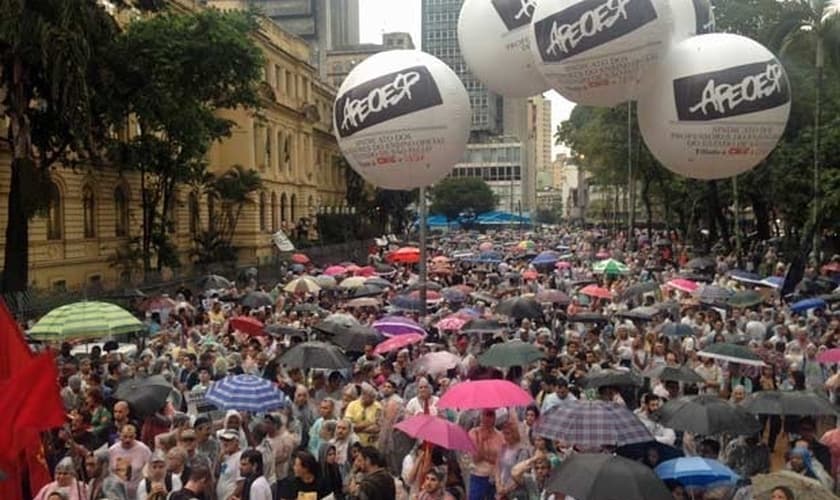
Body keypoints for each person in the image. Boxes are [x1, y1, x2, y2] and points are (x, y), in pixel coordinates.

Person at [108, 424, 152, 499]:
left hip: (138, 491)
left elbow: (150, 468)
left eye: (131, 437)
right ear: (120, 435)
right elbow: (109, 471)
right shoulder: (112, 450)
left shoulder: (144, 449)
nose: (127, 440)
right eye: (125, 436)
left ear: (135, 436)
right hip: (117, 492)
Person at [467, 409, 504, 500]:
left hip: (495, 477)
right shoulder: (473, 433)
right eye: (486, 415)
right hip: (478, 476)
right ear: (481, 416)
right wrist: (482, 441)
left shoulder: (500, 436)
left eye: (491, 415)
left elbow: (500, 460)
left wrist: (486, 457)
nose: (488, 418)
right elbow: (476, 458)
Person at [217, 429, 243, 500]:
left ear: (236, 442)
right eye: (223, 440)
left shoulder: (240, 457)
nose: (225, 443)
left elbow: (241, 482)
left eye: (228, 440)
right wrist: (219, 458)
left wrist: (231, 497)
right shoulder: (226, 457)